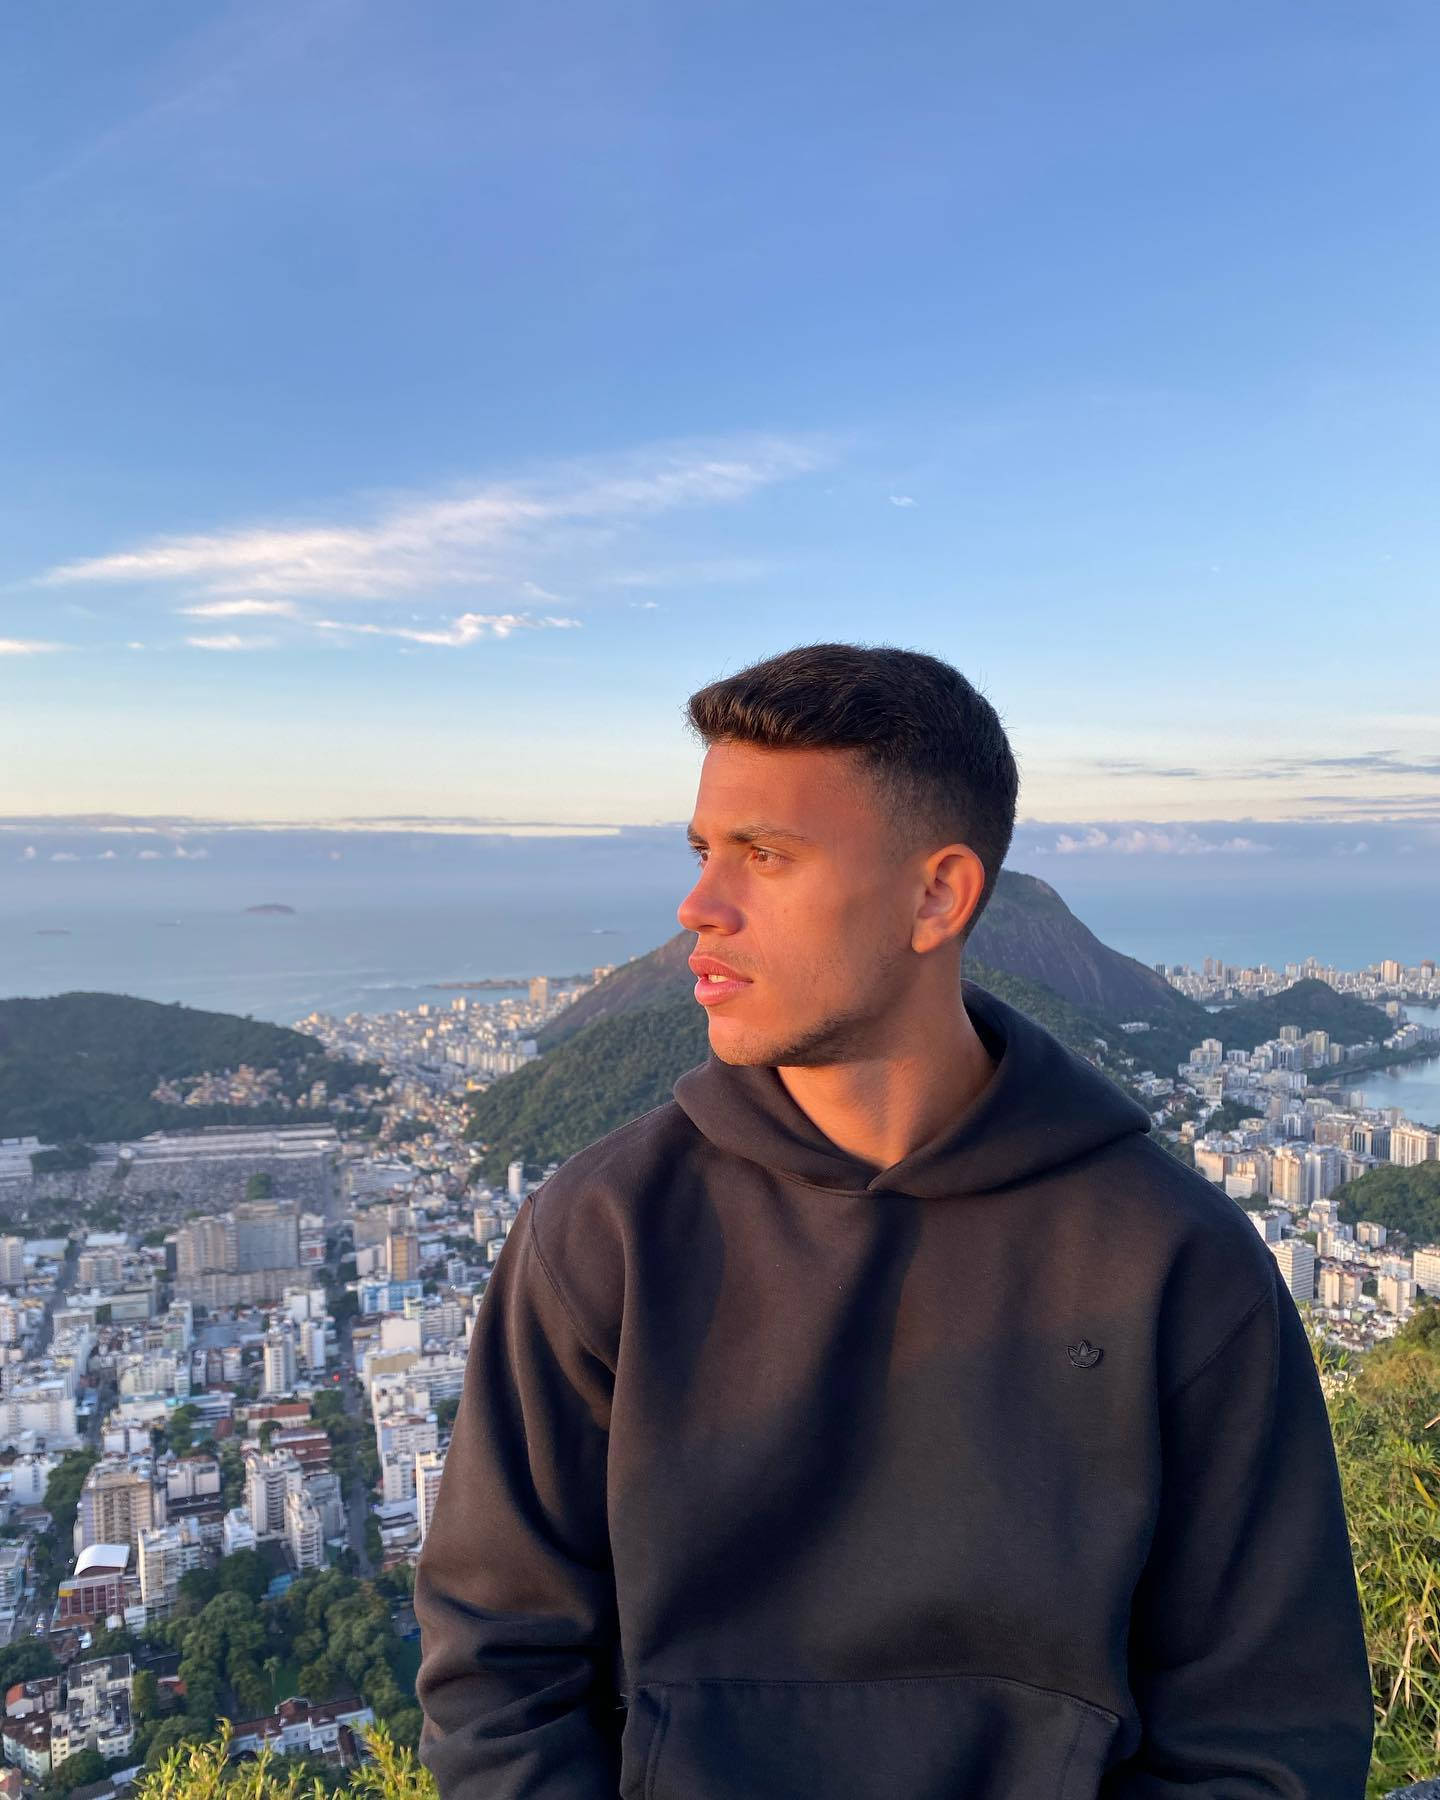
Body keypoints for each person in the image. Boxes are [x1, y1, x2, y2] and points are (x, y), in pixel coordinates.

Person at [415, 642, 1374, 1799]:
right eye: (705, 851)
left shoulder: (1173, 1261)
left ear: (937, 896)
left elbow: (1268, 1734)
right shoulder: (603, 1233)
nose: (697, 907)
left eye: (766, 855)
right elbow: (495, 1677)